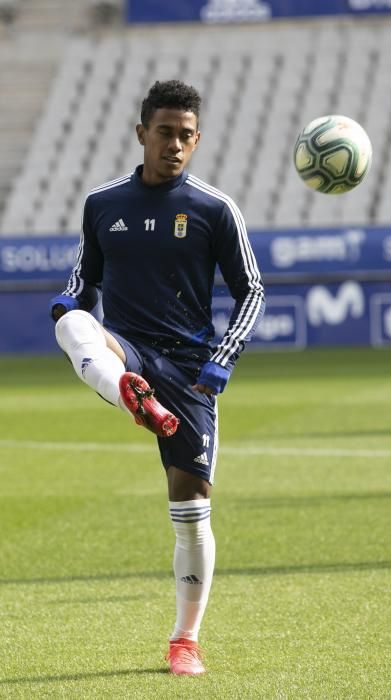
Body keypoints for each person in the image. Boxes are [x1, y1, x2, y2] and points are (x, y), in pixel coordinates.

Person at [50, 79, 265, 675]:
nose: (174, 144)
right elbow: (82, 283)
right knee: (71, 323)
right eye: (164, 132)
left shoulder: (214, 209)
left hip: (189, 370)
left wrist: (223, 358)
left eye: (186, 136)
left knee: (193, 509)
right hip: (128, 351)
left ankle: (184, 641)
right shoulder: (102, 204)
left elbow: (252, 291)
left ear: (198, 140)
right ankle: (127, 391)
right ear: (141, 133)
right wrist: (66, 302)